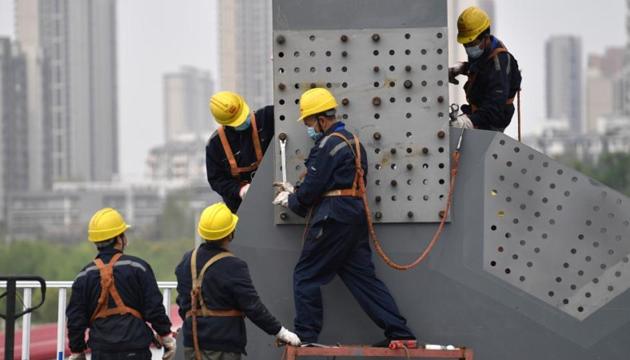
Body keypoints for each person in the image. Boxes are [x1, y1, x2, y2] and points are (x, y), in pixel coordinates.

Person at [272, 88, 416, 345]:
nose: (308, 128)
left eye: (308, 122)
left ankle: (305, 336)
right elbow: (337, 181)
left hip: (333, 216)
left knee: (306, 275)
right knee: (362, 279)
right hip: (354, 214)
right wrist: (300, 192)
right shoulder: (354, 142)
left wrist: (292, 198)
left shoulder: (327, 144)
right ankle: (401, 334)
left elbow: (310, 193)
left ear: (321, 119)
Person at [175, 202, 301, 360]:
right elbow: (252, 307)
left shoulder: (187, 260)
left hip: (192, 344)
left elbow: (182, 303)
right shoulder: (233, 266)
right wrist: (280, 332)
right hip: (223, 346)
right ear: (230, 233)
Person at [66, 208, 175, 360]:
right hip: (135, 348)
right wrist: (166, 337)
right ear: (119, 238)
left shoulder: (84, 276)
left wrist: (77, 351)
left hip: (101, 350)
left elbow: (75, 319)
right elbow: (154, 308)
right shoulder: (138, 267)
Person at [449, 6, 522, 132]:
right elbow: (484, 72)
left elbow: (495, 106)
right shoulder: (485, 54)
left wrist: (469, 121)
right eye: (466, 44)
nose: (469, 48)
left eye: (473, 43)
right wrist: (462, 68)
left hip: (492, 120)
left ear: (486, 36)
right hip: (479, 113)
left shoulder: (500, 63)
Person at [206, 91, 274, 212]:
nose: (245, 121)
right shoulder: (215, 145)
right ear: (226, 123)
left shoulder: (267, 119)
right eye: (239, 120)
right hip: (241, 209)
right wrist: (239, 190)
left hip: (274, 197)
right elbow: (216, 180)